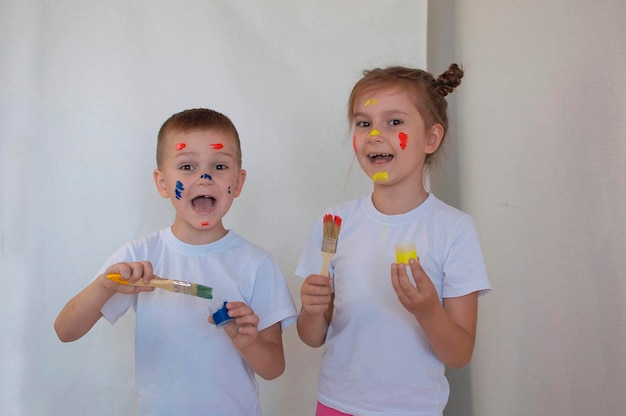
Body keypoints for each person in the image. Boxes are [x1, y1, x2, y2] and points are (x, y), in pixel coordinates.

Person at [54, 108, 298, 416]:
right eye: (187, 166)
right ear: (162, 183)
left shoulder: (257, 264)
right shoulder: (140, 255)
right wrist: (105, 285)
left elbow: (274, 368)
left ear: (238, 182)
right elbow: (65, 330)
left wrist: (246, 341)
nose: (204, 178)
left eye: (219, 166)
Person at [296, 65, 492, 416]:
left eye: (394, 122)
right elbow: (312, 337)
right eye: (363, 123)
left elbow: (460, 354)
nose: (374, 134)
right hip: (337, 404)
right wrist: (312, 309)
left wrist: (428, 310)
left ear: (431, 138)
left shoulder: (453, 229)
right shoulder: (334, 223)